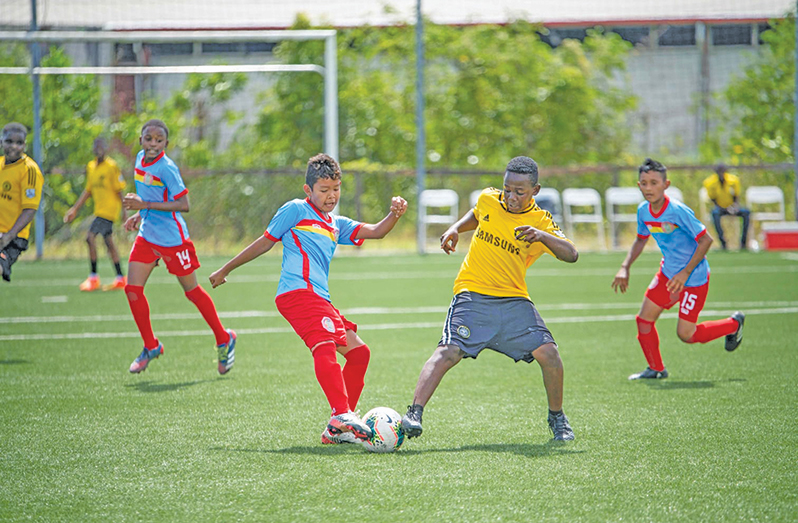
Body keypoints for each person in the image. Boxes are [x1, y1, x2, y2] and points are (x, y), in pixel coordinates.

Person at [209, 153, 408, 445]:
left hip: (320, 299)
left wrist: (394, 214)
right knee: (324, 344)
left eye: (336, 189)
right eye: (324, 190)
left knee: (359, 353)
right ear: (308, 190)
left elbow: (376, 231)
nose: (331, 196)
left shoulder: (335, 223)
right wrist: (226, 268)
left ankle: (337, 429)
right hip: (297, 293)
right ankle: (342, 413)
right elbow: (265, 241)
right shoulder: (295, 210)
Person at [401, 156, 579, 442]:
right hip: (472, 294)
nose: (510, 196)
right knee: (448, 352)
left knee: (550, 354)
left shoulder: (540, 221)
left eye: (519, 192)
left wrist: (542, 236)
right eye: (507, 188)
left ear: (535, 190)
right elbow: (477, 213)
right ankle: (414, 413)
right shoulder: (489, 199)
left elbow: (571, 254)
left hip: (513, 300)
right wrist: (456, 228)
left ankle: (557, 418)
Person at [612, 158, 745, 380]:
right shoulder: (643, 211)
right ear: (638, 185)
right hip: (668, 274)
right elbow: (640, 239)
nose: (648, 188)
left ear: (666, 184)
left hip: (694, 278)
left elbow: (706, 240)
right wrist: (625, 267)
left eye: (654, 183)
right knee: (644, 320)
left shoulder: (677, 211)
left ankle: (733, 324)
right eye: (644, 183)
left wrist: (685, 273)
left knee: (686, 334)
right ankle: (656, 369)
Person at [122, 119, 236, 375]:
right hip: (148, 237)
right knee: (131, 289)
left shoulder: (167, 168)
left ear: (166, 144)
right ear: (140, 140)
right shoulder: (140, 159)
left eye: (158, 140)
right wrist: (140, 215)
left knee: (192, 291)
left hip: (174, 240)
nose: (153, 144)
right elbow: (150, 198)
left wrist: (144, 207)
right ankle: (151, 346)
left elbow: (184, 204)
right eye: (148, 138)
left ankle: (223, 337)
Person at [64, 137, 128, 291]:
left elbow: (119, 190)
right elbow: (88, 191)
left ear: (106, 149)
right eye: (96, 146)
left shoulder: (112, 166)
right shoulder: (91, 166)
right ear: (93, 148)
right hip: (99, 210)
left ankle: (93, 278)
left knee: (89, 237)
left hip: (109, 210)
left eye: (102, 146)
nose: (99, 149)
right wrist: (74, 209)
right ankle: (121, 278)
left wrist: (125, 211)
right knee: (108, 243)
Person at [0, 123, 44, 283]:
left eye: (19, 143)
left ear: (25, 145)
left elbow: (30, 210)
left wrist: (8, 236)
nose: (14, 146)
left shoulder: (29, 170)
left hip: (13, 237)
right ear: (1, 141)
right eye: (9, 141)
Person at [703, 164, 751, 250]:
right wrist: (721, 207)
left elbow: (736, 196)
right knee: (715, 214)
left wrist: (733, 206)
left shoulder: (733, 180)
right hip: (720, 207)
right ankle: (723, 243)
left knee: (746, 212)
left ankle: (743, 243)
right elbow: (712, 198)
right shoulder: (710, 182)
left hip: (732, 206)